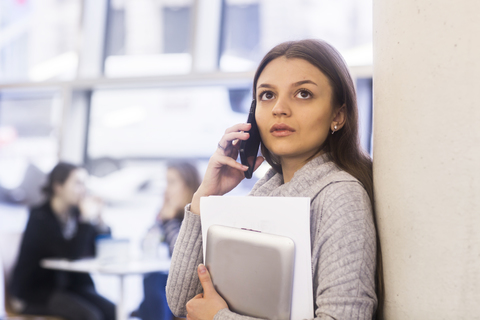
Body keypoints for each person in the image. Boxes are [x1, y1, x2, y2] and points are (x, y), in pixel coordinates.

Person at [165, 39, 383, 320]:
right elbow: (183, 302)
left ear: (338, 115)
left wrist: (219, 318)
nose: (279, 108)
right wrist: (204, 197)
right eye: (267, 95)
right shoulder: (267, 190)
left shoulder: (340, 196)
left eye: (303, 94)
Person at [9, 162, 115, 320]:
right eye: (78, 183)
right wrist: (85, 220)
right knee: (91, 316)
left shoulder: (75, 214)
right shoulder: (40, 218)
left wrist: (99, 221)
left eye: (84, 184)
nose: (83, 190)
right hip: (36, 291)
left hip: (66, 288)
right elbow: (71, 254)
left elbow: (96, 250)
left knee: (113, 311)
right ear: (58, 187)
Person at [133, 162, 201, 320]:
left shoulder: (198, 216)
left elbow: (182, 255)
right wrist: (161, 220)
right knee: (153, 281)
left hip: (191, 285)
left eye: (171, 182)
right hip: (164, 285)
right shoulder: (167, 212)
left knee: (155, 286)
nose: (166, 189)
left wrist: (169, 221)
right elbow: (146, 245)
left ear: (189, 185)